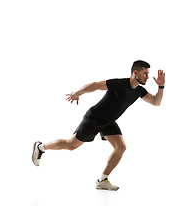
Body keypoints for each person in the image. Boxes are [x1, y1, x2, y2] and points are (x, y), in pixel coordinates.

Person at [32, 60, 165, 190]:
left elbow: (155, 102)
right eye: (145, 74)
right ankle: (41, 147)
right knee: (70, 145)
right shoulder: (120, 84)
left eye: (148, 74)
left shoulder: (139, 91)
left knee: (121, 147)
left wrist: (161, 87)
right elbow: (95, 85)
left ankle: (102, 180)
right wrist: (77, 93)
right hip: (94, 119)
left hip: (109, 122)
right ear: (135, 73)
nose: (148, 77)